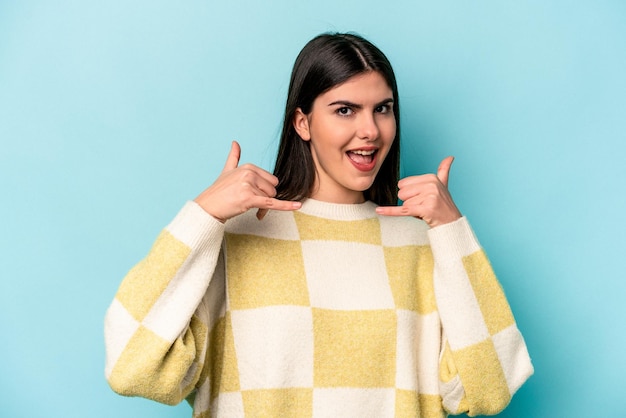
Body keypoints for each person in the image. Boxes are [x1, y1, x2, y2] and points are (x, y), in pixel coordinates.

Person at [104, 33, 533, 417]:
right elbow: (132, 368)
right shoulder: (235, 239)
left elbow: (490, 389)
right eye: (345, 110)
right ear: (302, 122)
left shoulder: (422, 243)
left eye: (382, 109)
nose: (370, 130)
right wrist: (202, 215)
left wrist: (451, 230)